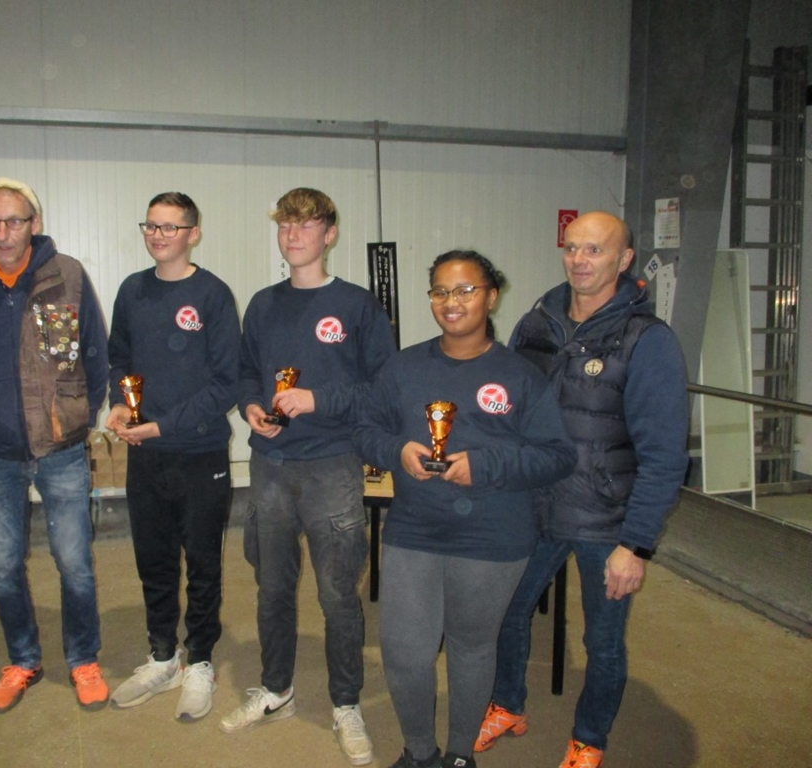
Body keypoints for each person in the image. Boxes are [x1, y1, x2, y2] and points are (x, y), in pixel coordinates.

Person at [475, 211, 689, 768]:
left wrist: (636, 544)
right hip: (534, 507)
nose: (579, 260)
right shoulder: (536, 323)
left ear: (624, 259)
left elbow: (665, 456)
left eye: (595, 250)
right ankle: (507, 704)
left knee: (603, 642)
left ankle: (589, 739)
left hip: (606, 521)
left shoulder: (647, 340)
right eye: (572, 248)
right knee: (506, 612)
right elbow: (508, 411)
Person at [354, 250, 577, 768]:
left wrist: (485, 465)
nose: (450, 302)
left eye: (465, 290)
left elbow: (558, 456)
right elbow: (365, 431)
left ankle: (459, 755)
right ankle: (418, 752)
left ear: (491, 296)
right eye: (440, 291)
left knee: (471, 647)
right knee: (404, 650)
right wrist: (397, 451)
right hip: (414, 530)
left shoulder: (520, 375)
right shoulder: (403, 367)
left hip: (493, 537)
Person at [219, 188, 396, 766]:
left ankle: (346, 702)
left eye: (305, 225)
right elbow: (246, 372)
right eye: (285, 225)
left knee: (337, 594)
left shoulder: (357, 306)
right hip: (269, 466)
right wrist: (251, 406)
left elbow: (383, 388)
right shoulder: (263, 305)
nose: (293, 235)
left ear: (329, 234)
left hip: (332, 467)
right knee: (271, 587)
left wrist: (317, 399)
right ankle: (276, 689)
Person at [0, 177, 110, 713]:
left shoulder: (68, 276)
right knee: (2, 564)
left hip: (59, 448)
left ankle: (82, 658)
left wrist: (77, 415)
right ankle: (22, 659)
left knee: (74, 561)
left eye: (13, 220)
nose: (2, 232)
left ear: (33, 224)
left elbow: (96, 355)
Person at [105, 192, 240, 722]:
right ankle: (162, 656)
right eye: (151, 226)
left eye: (169, 227)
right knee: (154, 562)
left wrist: (164, 424)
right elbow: (119, 359)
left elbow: (226, 383)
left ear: (193, 233)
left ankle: (199, 659)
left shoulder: (213, 295)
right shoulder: (132, 291)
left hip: (199, 453)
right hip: (146, 456)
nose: (158, 235)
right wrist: (121, 403)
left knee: (203, 564)